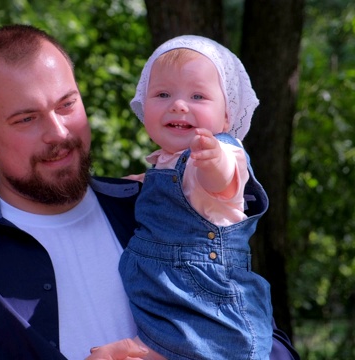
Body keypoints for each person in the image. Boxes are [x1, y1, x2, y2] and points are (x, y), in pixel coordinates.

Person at [0, 25, 299, 360]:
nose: (58, 133)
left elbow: (262, 338)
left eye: (67, 105)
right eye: (27, 118)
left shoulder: (160, 206)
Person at [117, 35, 275, 360]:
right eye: (163, 94)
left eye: (198, 96)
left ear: (227, 117)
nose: (178, 104)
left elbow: (222, 180)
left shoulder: (220, 152)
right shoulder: (165, 160)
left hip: (210, 300)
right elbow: (172, 185)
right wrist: (142, 182)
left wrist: (214, 160)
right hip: (167, 295)